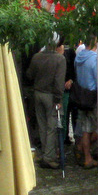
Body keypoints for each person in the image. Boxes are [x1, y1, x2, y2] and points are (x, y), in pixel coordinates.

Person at [25, 38, 67, 170]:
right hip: (51, 95)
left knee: (42, 125)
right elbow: (59, 81)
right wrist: (58, 99)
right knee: (52, 126)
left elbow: (29, 75)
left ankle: (45, 154)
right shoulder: (59, 59)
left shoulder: (37, 56)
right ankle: (49, 157)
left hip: (38, 93)